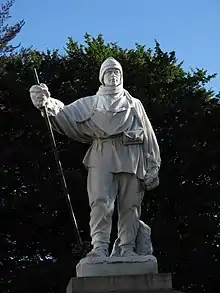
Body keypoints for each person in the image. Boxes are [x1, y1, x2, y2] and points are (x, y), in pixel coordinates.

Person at [29, 57, 161, 258]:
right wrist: (46, 102)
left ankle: (127, 248)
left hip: (131, 156)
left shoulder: (134, 104)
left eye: (117, 72)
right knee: (100, 202)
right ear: (102, 77)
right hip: (102, 154)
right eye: (109, 72)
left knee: (131, 205)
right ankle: (99, 247)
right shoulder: (90, 103)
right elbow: (64, 113)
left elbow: (148, 136)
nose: (113, 75)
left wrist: (153, 166)